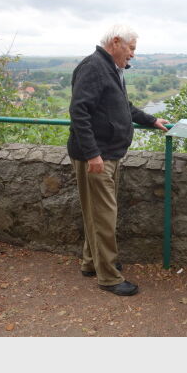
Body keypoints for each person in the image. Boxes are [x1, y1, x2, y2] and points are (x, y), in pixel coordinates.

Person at [68, 25, 169, 296]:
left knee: (98, 214)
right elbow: (79, 112)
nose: (133, 55)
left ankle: (92, 263)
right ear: (115, 42)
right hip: (97, 157)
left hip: (108, 154)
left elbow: (123, 106)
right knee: (104, 217)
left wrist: (150, 119)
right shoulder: (94, 67)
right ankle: (109, 277)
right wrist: (92, 154)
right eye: (132, 48)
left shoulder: (110, 68)